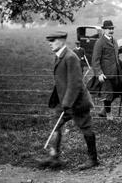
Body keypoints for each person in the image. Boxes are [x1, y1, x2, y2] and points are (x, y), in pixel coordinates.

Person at [38, 31, 99, 170]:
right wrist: (60, 101)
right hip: (64, 102)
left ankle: (93, 159)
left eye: (53, 40)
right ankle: (54, 157)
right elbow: (61, 81)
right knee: (56, 125)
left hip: (77, 102)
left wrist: (67, 103)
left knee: (86, 128)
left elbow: (75, 83)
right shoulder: (59, 56)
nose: (50, 43)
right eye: (50, 40)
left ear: (62, 41)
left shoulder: (71, 57)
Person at [91, 20, 122, 119]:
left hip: (116, 72)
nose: (111, 30)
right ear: (104, 30)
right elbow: (95, 60)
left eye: (112, 28)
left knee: (117, 92)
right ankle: (108, 114)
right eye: (109, 29)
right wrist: (99, 73)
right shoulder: (99, 42)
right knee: (108, 94)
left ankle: (104, 110)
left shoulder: (114, 41)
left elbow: (116, 57)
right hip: (106, 74)